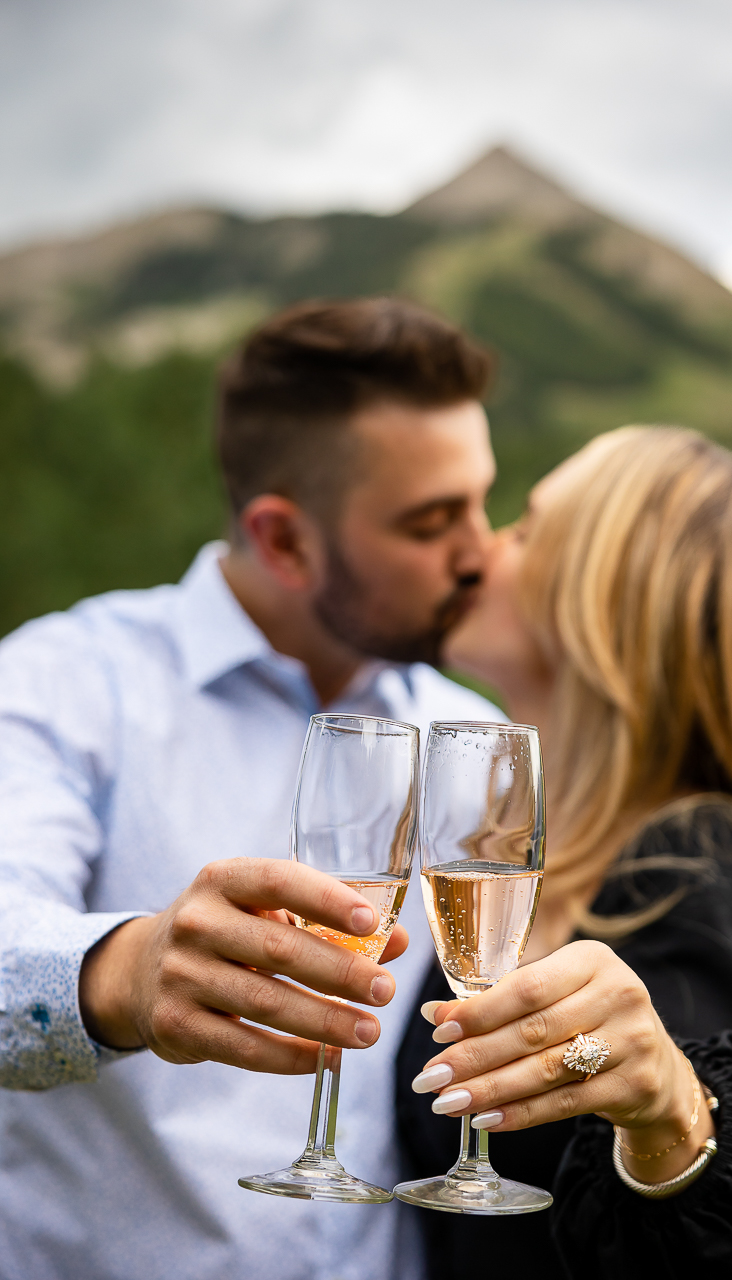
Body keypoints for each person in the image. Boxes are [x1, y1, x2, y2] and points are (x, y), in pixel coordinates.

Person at [0, 297, 503, 1280]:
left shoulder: (470, 735)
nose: (480, 552)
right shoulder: (64, 680)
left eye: (481, 501)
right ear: (283, 539)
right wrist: (121, 972)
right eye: (431, 521)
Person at [397, 426, 732, 1279]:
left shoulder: (715, 872)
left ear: (606, 599)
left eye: (524, 531)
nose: (478, 552)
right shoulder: (543, 861)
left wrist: (678, 1117)